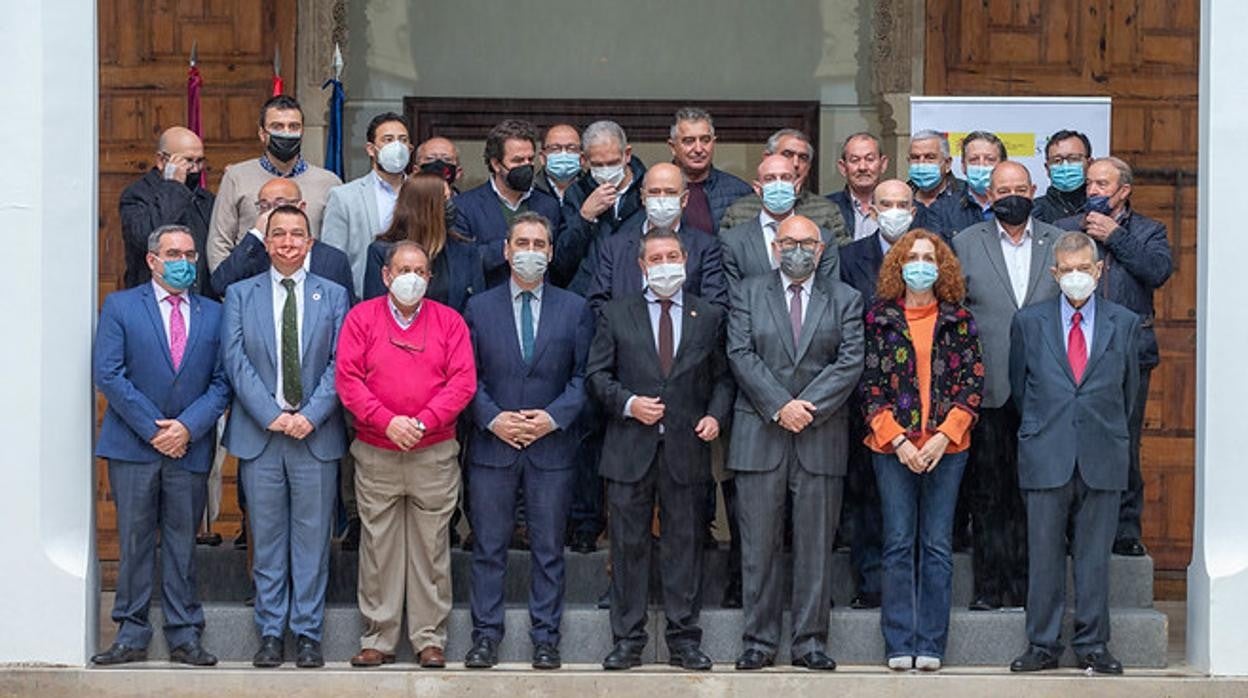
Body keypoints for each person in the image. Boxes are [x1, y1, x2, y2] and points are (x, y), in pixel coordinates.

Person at [588, 227, 734, 671]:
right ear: (642, 266)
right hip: (630, 450)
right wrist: (629, 404)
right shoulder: (616, 314)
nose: (666, 264)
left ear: (686, 261)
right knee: (628, 547)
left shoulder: (707, 315)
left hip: (686, 450)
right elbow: (597, 376)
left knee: (684, 546)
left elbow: (724, 377)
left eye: (673, 255)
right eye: (657, 258)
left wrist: (715, 415)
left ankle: (684, 639)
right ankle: (628, 639)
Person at [727, 215, 864, 671]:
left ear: (823, 249)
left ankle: (809, 642)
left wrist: (806, 407)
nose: (798, 250)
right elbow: (739, 354)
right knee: (758, 546)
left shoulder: (846, 298)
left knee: (815, 546)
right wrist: (779, 405)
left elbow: (849, 362)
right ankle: (758, 641)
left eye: (807, 242)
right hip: (760, 432)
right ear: (775, 248)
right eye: (789, 242)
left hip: (820, 435)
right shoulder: (747, 292)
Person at [92, 224, 231, 666]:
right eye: (174, 254)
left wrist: (186, 428)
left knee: (181, 544)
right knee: (133, 542)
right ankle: (130, 634)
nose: (184, 262)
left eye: (191, 255)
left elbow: (222, 382)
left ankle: (184, 634)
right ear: (152, 259)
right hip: (133, 446)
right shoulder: (120, 306)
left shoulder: (214, 313)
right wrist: (155, 430)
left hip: (189, 448)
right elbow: (109, 374)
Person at [461, 212, 594, 671]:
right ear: (506, 249)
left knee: (548, 550)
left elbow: (584, 377)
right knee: (489, 548)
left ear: (552, 253)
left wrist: (552, 419)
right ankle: (484, 637)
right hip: (492, 448)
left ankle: (546, 638)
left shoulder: (574, 307)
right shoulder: (479, 307)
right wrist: (492, 419)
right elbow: (467, 377)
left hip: (551, 449)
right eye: (523, 243)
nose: (531, 252)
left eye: (540, 244)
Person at [336, 240, 476, 669]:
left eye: (419, 270)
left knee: (431, 547)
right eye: (402, 269)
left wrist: (423, 421)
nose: (410, 278)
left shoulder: (449, 322)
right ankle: (378, 636)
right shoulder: (361, 318)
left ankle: (428, 638)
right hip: (377, 450)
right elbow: (348, 379)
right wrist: (386, 421)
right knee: (379, 547)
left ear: (430, 279)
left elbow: (463, 382)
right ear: (385, 275)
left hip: (432, 452)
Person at [220, 205, 349, 669]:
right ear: (266, 242)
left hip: (314, 435)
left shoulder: (333, 295)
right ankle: (271, 632)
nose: (288, 242)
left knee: (312, 541)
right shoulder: (240, 293)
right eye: (279, 234)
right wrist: (272, 414)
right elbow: (234, 361)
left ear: (310, 242)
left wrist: (309, 415)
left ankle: (308, 633)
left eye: (297, 234)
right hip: (262, 435)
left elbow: (341, 363)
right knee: (269, 540)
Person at [1008, 231, 1140, 676]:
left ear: (1099, 271)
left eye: (1085, 269)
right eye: (1068, 270)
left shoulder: (1124, 322)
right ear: (1054, 274)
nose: (1077, 277)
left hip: (1102, 453)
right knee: (1042, 555)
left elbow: (1129, 393)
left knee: (1094, 558)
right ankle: (1042, 644)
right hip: (1047, 451)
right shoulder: (1030, 321)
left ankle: (1093, 645)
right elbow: (1020, 389)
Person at [860, 229, 984, 672]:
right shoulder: (879, 319)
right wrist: (897, 440)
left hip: (946, 448)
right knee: (896, 544)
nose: (919, 264)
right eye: (911, 256)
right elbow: (870, 387)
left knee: (935, 545)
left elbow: (972, 385)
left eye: (928, 257)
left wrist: (941, 437)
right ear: (897, 264)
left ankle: (930, 642)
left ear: (942, 266)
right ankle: (899, 642)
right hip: (891, 448)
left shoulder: (959, 319)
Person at [952, 161, 1062, 611]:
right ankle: (990, 588)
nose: (1011, 195)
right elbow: (954, 317)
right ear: (989, 195)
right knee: (990, 495)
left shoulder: (1060, 242)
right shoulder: (964, 243)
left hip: (1048, 392)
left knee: (1038, 495)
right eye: (1002, 189)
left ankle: (1031, 588)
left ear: (1034, 189)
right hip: (991, 388)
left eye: (1019, 187)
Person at [1055, 156, 1172, 557]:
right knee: (1071, 441)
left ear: (1124, 190)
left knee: (1122, 441)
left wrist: (1117, 236)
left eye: (1102, 185)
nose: (1092, 191)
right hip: (1073, 351)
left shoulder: (1149, 231)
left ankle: (1124, 529)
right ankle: (1073, 526)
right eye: (1089, 184)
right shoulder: (1067, 230)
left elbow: (1157, 271)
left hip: (1129, 354)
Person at [837, 178, 921, 612]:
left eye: (902, 204)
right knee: (867, 493)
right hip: (863, 391)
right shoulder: (849, 257)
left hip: (920, 395)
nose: (893, 210)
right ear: (871, 210)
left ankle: (913, 581)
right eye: (885, 204)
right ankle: (870, 581)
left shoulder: (931, 255)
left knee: (915, 497)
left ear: (914, 208)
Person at [206, 95, 342, 271]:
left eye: (293, 127)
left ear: (302, 132)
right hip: (250, 287)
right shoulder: (236, 177)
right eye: (277, 126)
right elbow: (219, 240)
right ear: (263, 134)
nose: (286, 133)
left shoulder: (329, 182)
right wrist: (226, 288)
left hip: (309, 286)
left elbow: (336, 246)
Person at [587, 162, 728, 313]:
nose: (662, 199)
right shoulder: (614, 247)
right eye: (654, 192)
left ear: (685, 199)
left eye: (670, 192)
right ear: (643, 197)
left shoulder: (705, 247)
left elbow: (715, 308)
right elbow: (597, 303)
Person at [452, 119, 563, 288]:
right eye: (518, 161)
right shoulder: (465, 206)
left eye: (530, 159)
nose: (526, 166)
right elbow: (464, 262)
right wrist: (513, 245)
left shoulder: (548, 205)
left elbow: (558, 264)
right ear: (496, 164)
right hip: (489, 302)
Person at [209, 178, 355, 303]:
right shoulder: (255, 253)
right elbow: (220, 285)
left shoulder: (333, 259)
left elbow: (345, 311)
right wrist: (255, 235)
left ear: (301, 208)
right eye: (264, 206)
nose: (272, 213)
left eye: (280, 205)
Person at [320, 112, 414, 298]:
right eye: (388, 139)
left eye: (402, 140)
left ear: (410, 148)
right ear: (371, 149)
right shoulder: (344, 197)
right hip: (362, 300)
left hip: (415, 300)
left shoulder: (422, 194)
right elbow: (333, 260)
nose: (397, 146)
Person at [363, 173, 485, 313]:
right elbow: (374, 311)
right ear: (424, 207)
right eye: (444, 200)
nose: (451, 206)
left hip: (453, 332)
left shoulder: (465, 250)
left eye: (450, 198)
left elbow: (476, 309)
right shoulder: (382, 252)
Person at [553, 120, 647, 294]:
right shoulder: (576, 193)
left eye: (612, 163)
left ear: (627, 155)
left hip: (635, 296)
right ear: (584, 160)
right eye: (597, 165)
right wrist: (585, 216)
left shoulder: (648, 188)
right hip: (589, 296)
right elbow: (562, 262)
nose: (606, 171)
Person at [120, 126, 215, 296]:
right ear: (162, 161)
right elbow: (146, 237)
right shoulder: (136, 195)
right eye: (187, 161)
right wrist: (174, 186)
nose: (195, 169)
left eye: (200, 161)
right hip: (151, 300)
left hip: (199, 300)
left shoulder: (205, 199)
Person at [720, 155, 842, 287]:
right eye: (770, 179)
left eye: (786, 178)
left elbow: (830, 293)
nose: (778, 185)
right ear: (757, 188)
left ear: (797, 185)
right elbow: (734, 296)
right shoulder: (733, 241)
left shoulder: (823, 238)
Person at [718, 128, 850, 239]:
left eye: (803, 158)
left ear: (809, 167)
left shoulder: (827, 212)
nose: (795, 164)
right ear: (767, 158)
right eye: (787, 154)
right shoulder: (739, 212)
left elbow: (841, 261)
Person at [667, 107, 751, 235]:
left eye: (705, 140)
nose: (699, 149)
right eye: (689, 141)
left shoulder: (739, 191)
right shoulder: (655, 190)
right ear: (673, 147)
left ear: (714, 143)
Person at [926, 131, 1007, 238]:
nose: (981, 165)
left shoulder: (1015, 205)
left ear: (1003, 165)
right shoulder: (941, 209)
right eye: (974, 159)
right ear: (963, 166)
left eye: (990, 159)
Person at [828, 133, 890, 241]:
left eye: (870, 159)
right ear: (843, 168)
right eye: (855, 160)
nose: (862, 167)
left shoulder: (899, 208)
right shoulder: (826, 208)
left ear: (883, 164)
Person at [1032, 130, 1093, 224]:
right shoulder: (1034, 211)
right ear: (1047, 168)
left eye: (1074, 159)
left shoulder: (1101, 206)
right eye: (1057, 160)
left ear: (1090, 164)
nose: (1065, 166)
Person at [906, 129, 966, 210]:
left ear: (947, 163)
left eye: (930, 157)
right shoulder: (899, 195)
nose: (921, 163)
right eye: (915, 158)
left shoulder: (967, 196)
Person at [535, 123, 583, 205]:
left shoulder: (592, 190)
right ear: (542, 157)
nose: (563, 154)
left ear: (582, 158)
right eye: (555, 149)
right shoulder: (529, 191)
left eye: (571, 148)